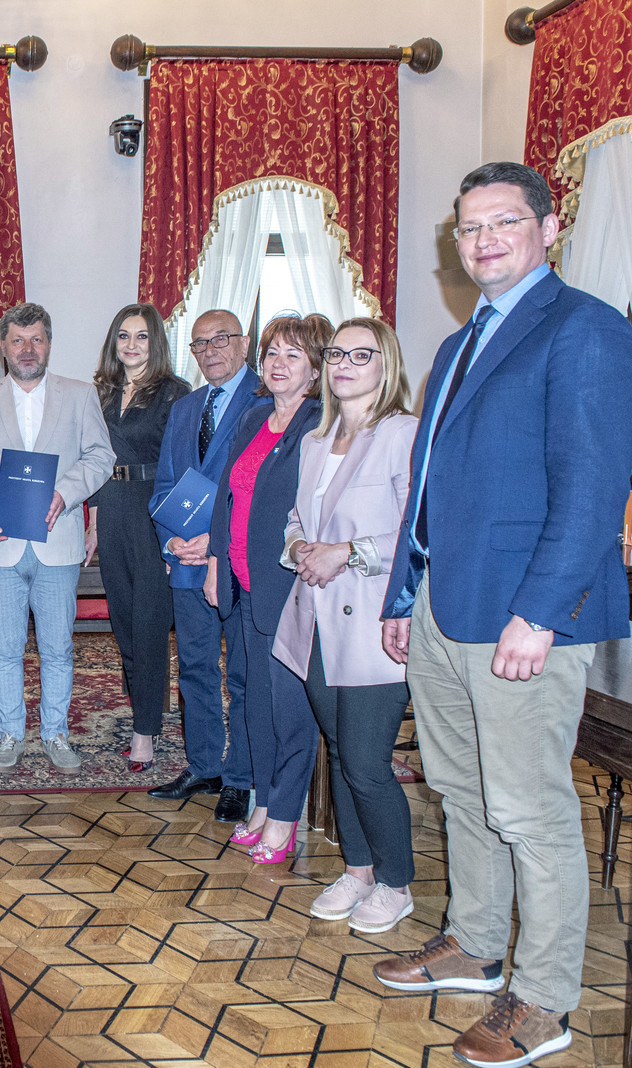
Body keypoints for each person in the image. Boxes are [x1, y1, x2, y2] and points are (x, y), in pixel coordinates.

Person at [371, 162, 632, 1068]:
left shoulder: (586, 328)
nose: (484, 240)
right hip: (445, 606)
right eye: (470, 227)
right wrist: (405, 593)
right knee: (460, 789)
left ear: (549, 229)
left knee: (531, 810)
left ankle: (545, 1000)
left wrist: (541, 613)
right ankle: (477, 946)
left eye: (505, 222)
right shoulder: (457, 344)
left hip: (522, 617)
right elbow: (428, 490)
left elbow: (593, 487)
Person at [270, 319, 417, 933]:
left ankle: (396, 882)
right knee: (337, 752)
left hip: (375, 623)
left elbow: (417, 532)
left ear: (386, 364)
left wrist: (347, 553)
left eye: (362, 354)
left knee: (366, 762)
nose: (345, 364)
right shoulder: (315, 440)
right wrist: (299, 547)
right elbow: (295, 520)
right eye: (337, 354)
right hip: (315, 619)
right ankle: (358, 870)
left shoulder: (403, 433)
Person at [0, 302, 114, 774]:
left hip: (58, 543)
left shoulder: (80, 395)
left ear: (49, 344)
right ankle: (10, 733)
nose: (27, 349)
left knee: (58, 649)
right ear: (3, 347)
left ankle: (55, 733)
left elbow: (101, 457)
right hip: (0, 545)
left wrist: (65, 493)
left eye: (36, 340)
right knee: (4, 649)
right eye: (18, 340)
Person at [205, 313, 327, 864]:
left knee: (288, 708)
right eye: (273, 352)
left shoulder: (319, 425)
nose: (278, 363)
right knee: (254, 701)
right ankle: (261, 803)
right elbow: (225, 496)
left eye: (293, 355)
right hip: (243, 582)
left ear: (316, 369)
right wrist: (215, 561)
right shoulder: (256, 415)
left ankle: (284, 817)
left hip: (288, 586)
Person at [146, 310, 261, 821]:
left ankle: (240, 777)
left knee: (242, 674)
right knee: (193, 667)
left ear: (244, 343)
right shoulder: (185, 408)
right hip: (187, 561)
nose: (210, 351)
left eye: (221, 339)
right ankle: (204, 765)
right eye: (200, 344)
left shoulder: (267, 400)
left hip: (238, 562)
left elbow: (261, 490)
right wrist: (173, 542)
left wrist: (215, 543)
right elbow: (165, 486)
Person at [82, 303, 189, 773]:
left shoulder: (175, 394)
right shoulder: (100, 393)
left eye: (141, 336)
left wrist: (175, 534)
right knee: (124, 622)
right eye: (123, 335)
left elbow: (184, 467)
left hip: (154, 512)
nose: (131, 344)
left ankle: (145, 729)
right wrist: (92, 522)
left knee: (149, 625)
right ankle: (144, 708)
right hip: (112, 508)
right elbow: (93, 459)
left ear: (155, 342)